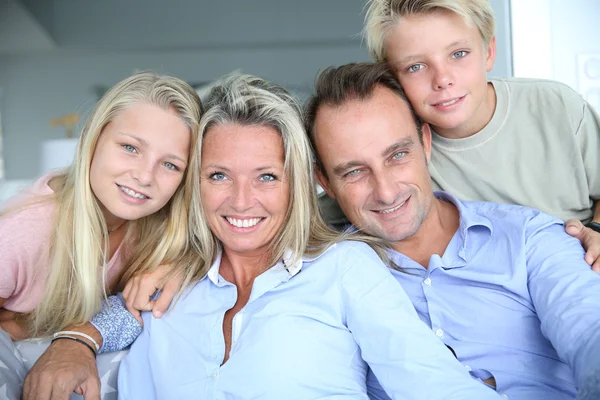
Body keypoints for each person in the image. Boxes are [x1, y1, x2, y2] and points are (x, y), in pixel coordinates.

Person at [117, 74, 501, 399]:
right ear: (195, 184)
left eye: (266, 176)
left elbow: (434, 384)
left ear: (298, 184)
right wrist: (75, 342)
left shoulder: (343, 268)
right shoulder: (167, 288)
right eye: (219, 175)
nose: (241, 200)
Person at [304, 62, 600, 399]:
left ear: (425, 144)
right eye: (354, 172)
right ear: (324, 181)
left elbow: (590, 329)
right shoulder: (318, 274)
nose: (385, 191)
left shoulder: (528, 237)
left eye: (398, 155)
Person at [319, 0, 600, 270]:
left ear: (489, 52)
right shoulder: (399, 152)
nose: (442, 79)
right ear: (391, 80)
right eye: (415, 67)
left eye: (458, 54)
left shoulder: (556, 106)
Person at [0, 71, 203, 400]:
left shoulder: (161, 228)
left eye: (170, 165)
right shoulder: (26, 229)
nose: (144, 176)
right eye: (130, 147)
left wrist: (176, 266)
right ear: (91, 140)